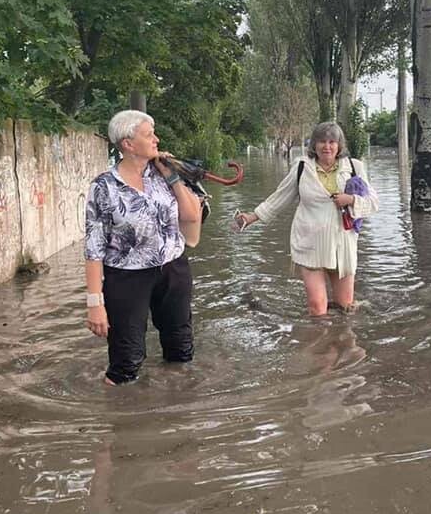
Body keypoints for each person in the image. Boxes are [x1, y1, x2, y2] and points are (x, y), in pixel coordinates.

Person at [84, 110, 203, 385]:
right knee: (125, 363)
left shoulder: (164, 174)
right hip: (126, 277)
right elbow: (93, 246)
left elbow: (191, 216)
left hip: (173, 269)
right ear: (128, 143)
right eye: (149, 134)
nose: (156, 139)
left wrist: (173, 177)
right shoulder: (104, 186)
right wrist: (94, 304)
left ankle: (180, 413)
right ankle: (123, 419)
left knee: (181, 350)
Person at [235, 121, 379, 316]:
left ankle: (342, 342)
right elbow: (279, 198)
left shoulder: (355, 167)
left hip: (342, 244)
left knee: (345, 307)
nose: (327, 146)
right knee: (317, 307)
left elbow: (373, 203)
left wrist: (351, 199)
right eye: (321, 141)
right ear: (314, 145)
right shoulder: (302, 168)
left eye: (331, 142)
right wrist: (251, 217)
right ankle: (318, 344)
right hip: (310, 243)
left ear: (339, 145)